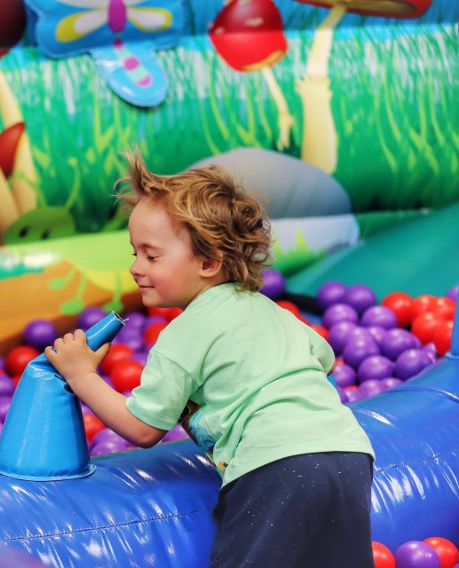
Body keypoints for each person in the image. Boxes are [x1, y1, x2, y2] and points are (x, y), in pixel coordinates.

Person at [44, 150, 375, 567]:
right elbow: (323, 360)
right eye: (134, 253)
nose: (135, 268)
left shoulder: (184, 333)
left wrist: (82, 375)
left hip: (275, 466)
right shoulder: (268, 309)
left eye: (150, 255)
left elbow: (142, 429)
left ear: (208, 262)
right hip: (349, 454)